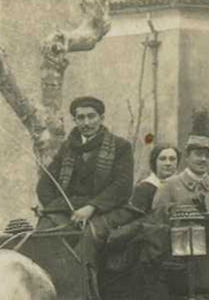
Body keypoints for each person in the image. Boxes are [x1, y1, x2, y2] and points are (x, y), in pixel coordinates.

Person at [40, 96, 140, 259]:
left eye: (91, 116)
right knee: (43, 234)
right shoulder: (67, 148)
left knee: (87, 239)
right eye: (81, 117)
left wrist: (92, 207)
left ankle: (84, 282)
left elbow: (122, 186)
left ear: (101, 118)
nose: (86, 123)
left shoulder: (120, 146)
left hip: (107, 210)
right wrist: (56, 207)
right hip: (70, 210)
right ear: (75, 120)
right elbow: (45, 183)